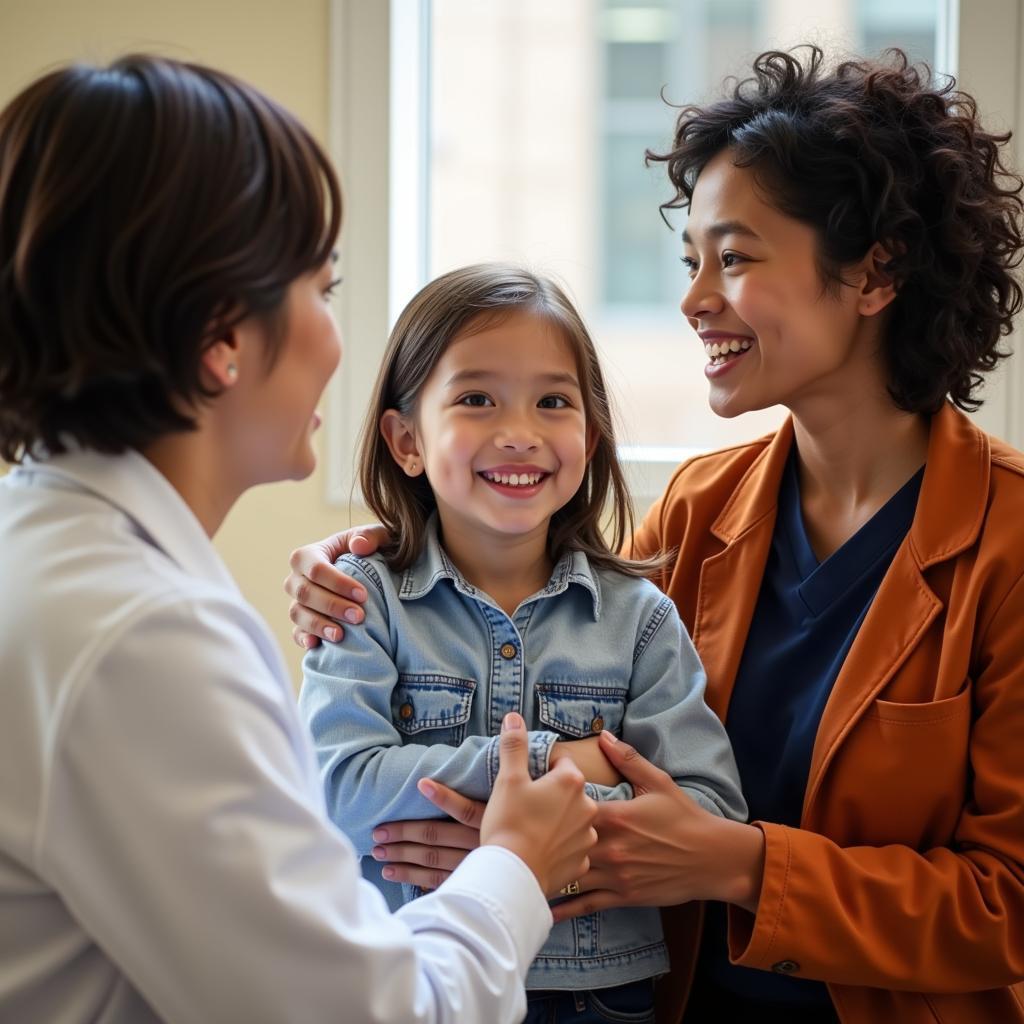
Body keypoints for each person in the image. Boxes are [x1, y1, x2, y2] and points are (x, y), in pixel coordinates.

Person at [284, 45, 1024, 1023]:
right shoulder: (698, 507)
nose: (692, 299)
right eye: (691, 262)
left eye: (736, 257)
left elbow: (1006, 905)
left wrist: (744, 863)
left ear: (873, 273)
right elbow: (525, 588)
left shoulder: (1006, 540)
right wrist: (357, 558)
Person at [0, 55, 601, 1024]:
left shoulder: (59, 559)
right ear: (219, 335)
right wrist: (513, 865)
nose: (335, 339)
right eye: (322, 288)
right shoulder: (140, 636)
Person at [297, 263, 747, 1024]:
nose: (520, 432)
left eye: (553, 401)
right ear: (406, 439)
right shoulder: (360, 601)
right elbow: (339, 790)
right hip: (414, 980)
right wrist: (548, 764)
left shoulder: (641, 619)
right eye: (476, 399)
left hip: (599, 994)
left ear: (589, 436)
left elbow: (712, 815)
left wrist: (531, 834)